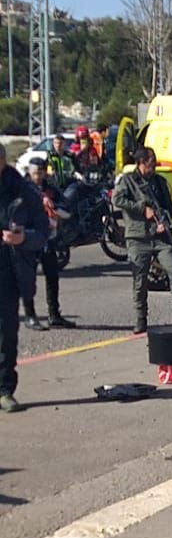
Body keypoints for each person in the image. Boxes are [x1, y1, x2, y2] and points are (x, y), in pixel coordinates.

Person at [112, 147, 172, 333]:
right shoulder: (128, 181)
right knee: (140, 280)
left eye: (153, 164)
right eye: (149, 165)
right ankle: (141, 319)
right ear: (140, 164)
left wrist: (164, 221)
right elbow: (117, 200)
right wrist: (141, 208)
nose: (152, 168)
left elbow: (168, 206)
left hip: (161, 236)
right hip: (138, 237)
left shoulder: (160, 182)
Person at [0, 143, 49, 412]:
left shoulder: (23, 190)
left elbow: (42, 231)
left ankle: (5, 389)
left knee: (6, 335)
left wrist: (23, 238)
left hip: (10, 269)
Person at [20, 159, 77, 330]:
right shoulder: (21, 188)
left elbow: (66, 208)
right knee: (28, 279)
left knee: (52, 277)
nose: (38, 176)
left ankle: (54, 314)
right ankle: (30, 316)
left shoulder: (50, 188)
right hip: (28, 239)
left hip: (49, 240)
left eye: (41, 172)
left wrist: (55, 210)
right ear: (29, 172)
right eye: (36, 172)